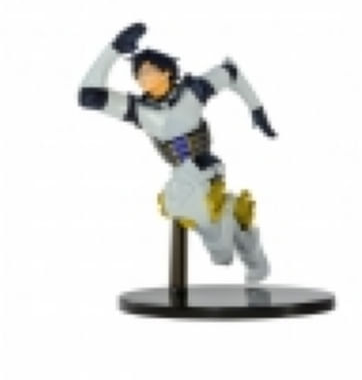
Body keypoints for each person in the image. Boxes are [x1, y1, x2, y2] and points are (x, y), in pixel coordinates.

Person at [78, 22, 277, 283]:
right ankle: (247, 242)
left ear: (167, 72)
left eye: (148, 71)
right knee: (209, 233)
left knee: (202, 226)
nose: (142, 79)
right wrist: (114, 49)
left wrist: (256, 109)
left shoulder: (192, 93)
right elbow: (88, 96)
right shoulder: (139, 110)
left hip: (204, 166)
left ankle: (234, 229)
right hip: (182, 172)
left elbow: (230, 72)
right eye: (138, 75)